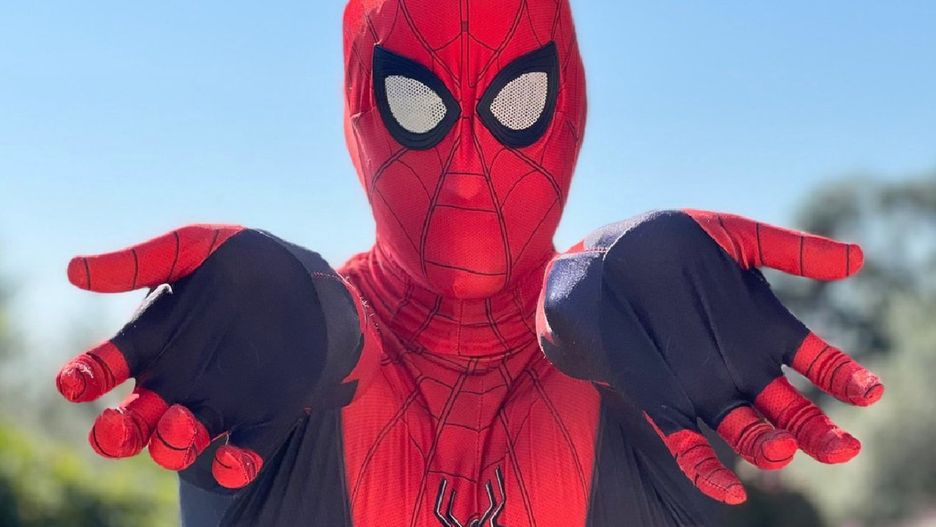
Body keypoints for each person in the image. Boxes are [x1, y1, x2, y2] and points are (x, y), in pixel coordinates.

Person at [55, 1, 883, 525]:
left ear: (570, 100)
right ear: (358, 104)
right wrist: (286, 318)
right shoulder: (273, 378)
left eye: (517, 101)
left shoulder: (642, 372)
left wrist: (631, 298)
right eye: (415, 103)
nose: (465, 170)